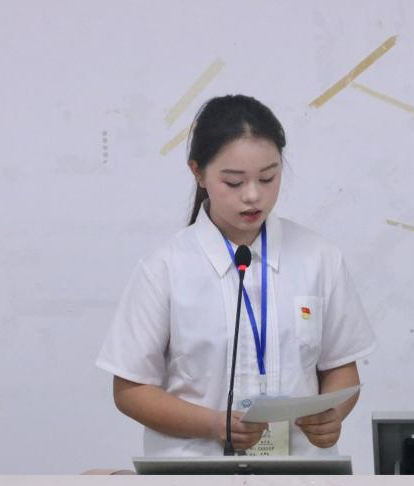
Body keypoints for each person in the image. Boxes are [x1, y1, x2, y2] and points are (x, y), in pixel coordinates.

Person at [98, 95, 376, 457]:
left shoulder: (319, 258)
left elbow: (341, 367)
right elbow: (131, 390)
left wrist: (332, 415)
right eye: (233, 182)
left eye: (268, 178)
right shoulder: (164, 268)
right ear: (198, 173)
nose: (253, 195)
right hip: (192, 472)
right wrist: (214, 424)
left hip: (300, 472)